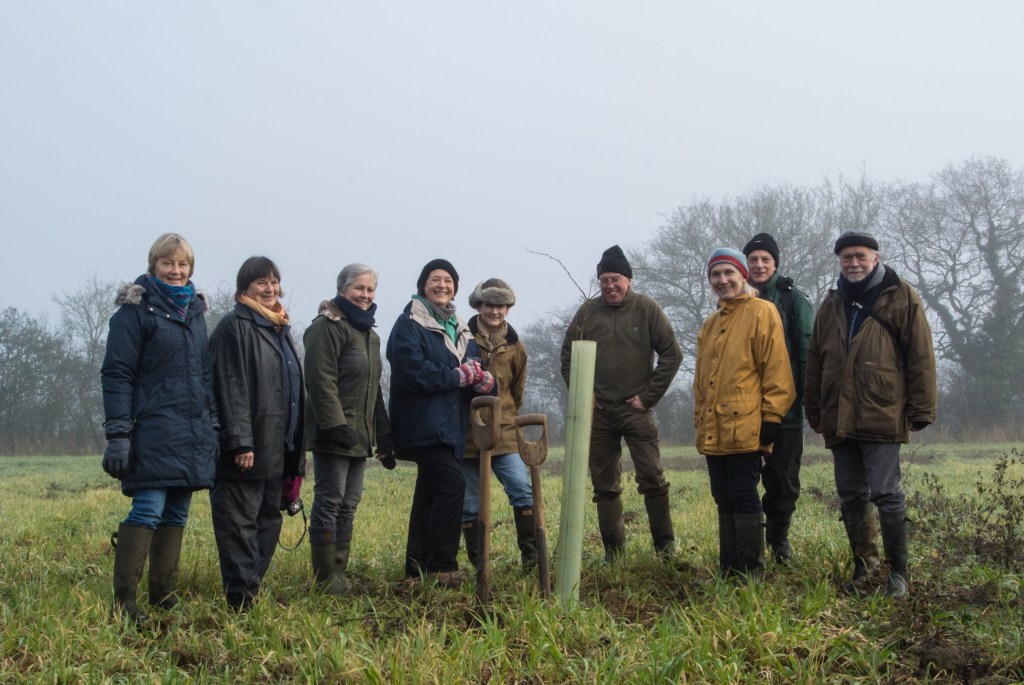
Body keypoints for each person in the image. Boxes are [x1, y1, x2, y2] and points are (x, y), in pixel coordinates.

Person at [805, 230, 936, 597]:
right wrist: (813, 408)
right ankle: (865, 567)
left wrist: (921, 408)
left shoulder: (902, 295)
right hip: (838, 414)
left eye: (861, 256)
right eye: (847, 257)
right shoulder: (830, 304)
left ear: (875, 258)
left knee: (885, 492)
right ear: (839, 262)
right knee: (850, 493)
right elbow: (815, 360)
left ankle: (898, 574)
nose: (854, 263)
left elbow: (921, 354)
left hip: (882, 409)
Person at [100, 233, 218, 624]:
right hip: (150, 429)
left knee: (178, 513)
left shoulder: (197, 317)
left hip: (191, 431)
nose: (176, 270)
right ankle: (126, 601)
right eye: (168, 263)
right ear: (154, 265)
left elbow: (205, 377)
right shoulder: (133, 314)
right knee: (148, 507)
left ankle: (163, 594)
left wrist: (212, 425)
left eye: (183, 264)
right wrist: (118, 434)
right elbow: (117, 374)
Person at [560, 245, 683, 560]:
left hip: (636, 410)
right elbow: (567, 356)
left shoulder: (647, 309)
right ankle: (614, 553)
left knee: (652, 478)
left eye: (615, 279)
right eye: (604, 280)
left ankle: (665, 549)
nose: (610, 286)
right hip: (599, 414)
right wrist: (585, 395)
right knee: (604, 485)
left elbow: (672, 354)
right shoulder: (587, 312)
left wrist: (648, 396)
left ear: (628, 279)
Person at [387, 259, 495, 587]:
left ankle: (416, 567)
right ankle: (442, 565)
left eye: (448, 281)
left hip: (450, 426)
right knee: (451, 485)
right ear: (423, 285)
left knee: (430, 493)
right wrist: (455, 376)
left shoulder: (461, 329)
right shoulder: (408, 323)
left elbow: (473, 368)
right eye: (436, 279)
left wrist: (484, 382)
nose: (442, 285)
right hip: (421, 424)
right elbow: (411, 371)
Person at [209, 256, 305, 611]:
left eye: (274, 281)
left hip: (277, 448)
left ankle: (251, 588)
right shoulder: (234, 326)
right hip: (247, 449)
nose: (270, 288)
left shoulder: (279, 328)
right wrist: (240, 441)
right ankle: (241, 600)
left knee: (268, 522)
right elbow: (228, 387)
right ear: (244, 289)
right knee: (239, 525)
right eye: (261, 283)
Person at [694, 248, 795, 579]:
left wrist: (773, 416)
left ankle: (751, 571)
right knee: (722, 495)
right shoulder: (710, 325)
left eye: (728, 273)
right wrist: (700, 419)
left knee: (743, 492)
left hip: (746, 424)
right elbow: (700, 382)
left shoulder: (762, 311)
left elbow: (776, 367)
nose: (722, 280)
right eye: (716, 275)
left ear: (743, 275)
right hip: (714, 427)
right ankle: (729, 569)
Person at [303, 263, 393, 596]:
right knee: (329, 500)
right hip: (334, 432)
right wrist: (336, 425)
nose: (365, 295)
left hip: (359, 434)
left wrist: (383, 432)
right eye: (359, 288)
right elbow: (319, 381)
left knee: (349, 503)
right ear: (343, 289)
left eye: (370, 289)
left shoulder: (369, 334)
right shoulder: (326, 328)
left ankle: (339, 573)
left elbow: (375, 387)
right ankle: (324, 578)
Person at [742, 232, 814, 563]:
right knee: (743, 481)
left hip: (785, 412)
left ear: (775, 264)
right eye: (753, 259)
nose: (758, 264)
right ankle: (749, 547)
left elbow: (806, 357)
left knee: (783, 483)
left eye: (765, 259)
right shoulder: (733, 300)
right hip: (743, 411)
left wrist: (803, 403)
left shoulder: (793, 301)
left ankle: (779, 543)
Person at [460, 278, 535, 571]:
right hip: (468, 431)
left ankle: (531, 556)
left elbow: (517, 391)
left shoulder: (515, 346)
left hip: (504, 430)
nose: (495, 311)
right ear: (479, 305)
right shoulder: (462, 338)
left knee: (521, 489)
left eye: (501, 305)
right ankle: (480, 563)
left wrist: (506, 416)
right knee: (471, 501)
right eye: (489, 304)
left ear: (508, 308)